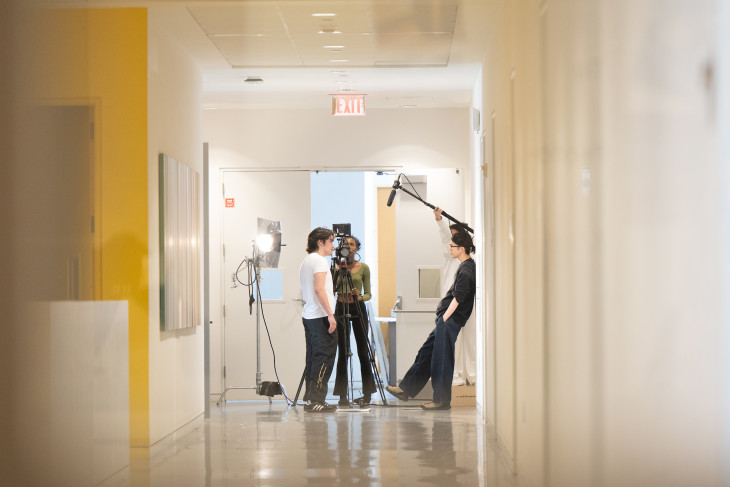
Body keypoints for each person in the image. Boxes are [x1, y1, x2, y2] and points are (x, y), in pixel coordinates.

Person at [386, 231, 476, 410]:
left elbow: (459, 297)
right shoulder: (464, 265)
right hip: (446, 321)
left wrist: (444, 317)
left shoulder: (466, 269)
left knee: (441, 360)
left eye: (452, 246)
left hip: (449, 321)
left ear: (462, 248)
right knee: (426, 353)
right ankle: (406, 389)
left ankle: (442, 400)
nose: (450, 249)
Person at [434, 208, 476, 386]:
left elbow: (459, 295)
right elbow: (445, 238)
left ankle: (472, 375)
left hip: (465, 301)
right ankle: (458, 374)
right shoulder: (451, 255)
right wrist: (439, 221)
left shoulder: (467, 261)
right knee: (453, 340)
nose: (450, 243)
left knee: (470, 338)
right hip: (452, 302)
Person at [332, 236, 376, 406]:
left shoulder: (363, 267)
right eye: (345, 244)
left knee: (363, 351)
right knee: (342, 352)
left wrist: (359, 296)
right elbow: (332, 290)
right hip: (340, 307)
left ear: (357, 249)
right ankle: (342, 396)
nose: (348, 247)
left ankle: (367, 395)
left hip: (357, 308)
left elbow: (369, 294)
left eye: (351, 244)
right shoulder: (337, 266)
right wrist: (337, 270)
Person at [299, 227, 338, 412]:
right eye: (330, 241)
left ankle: (311, 399)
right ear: (320, 242)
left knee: (313, 358)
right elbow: (319, 289)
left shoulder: (307, 261)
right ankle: (317, 400)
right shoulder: (320, 261)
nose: (333, 245)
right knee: (324, 358)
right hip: (321, 316)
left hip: (310, 316)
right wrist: (331, 315)